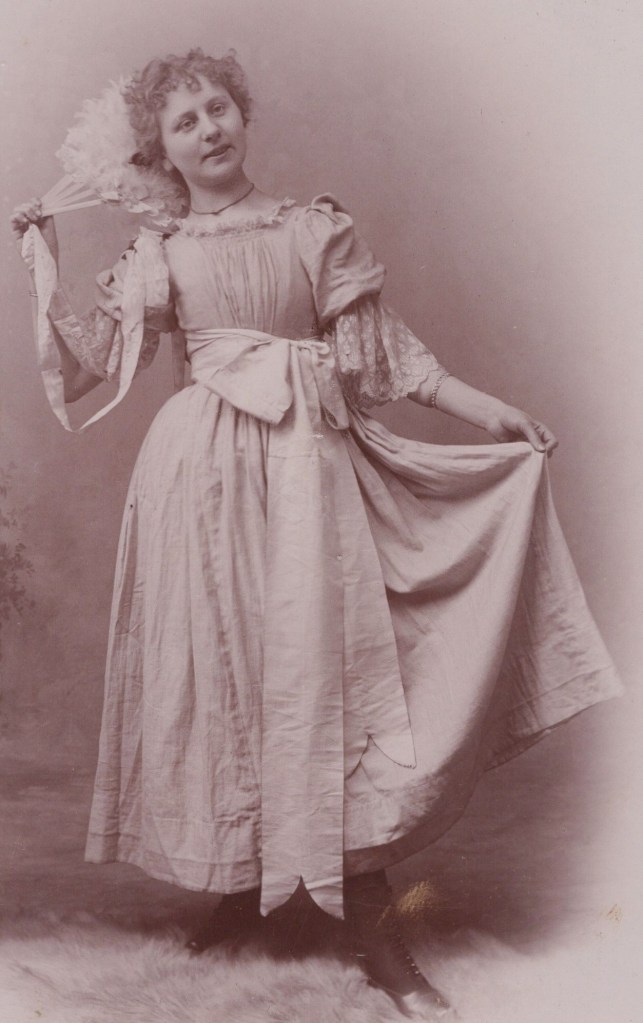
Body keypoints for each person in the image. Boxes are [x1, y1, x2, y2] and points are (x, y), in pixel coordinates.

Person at [11, 48, 621, 1021]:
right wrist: (41, 257)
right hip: (199, 484)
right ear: (159, 151)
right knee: (234, 673)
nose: (208, 129)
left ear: (242, 115)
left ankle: (369, 914)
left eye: (218, 108)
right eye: (183, 122)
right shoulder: (159, 249)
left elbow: (390, 357)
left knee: (324, 675)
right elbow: (87, 369)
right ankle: (246, 880)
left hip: (307, 472)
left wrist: (489, 411)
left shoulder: (309, 228)